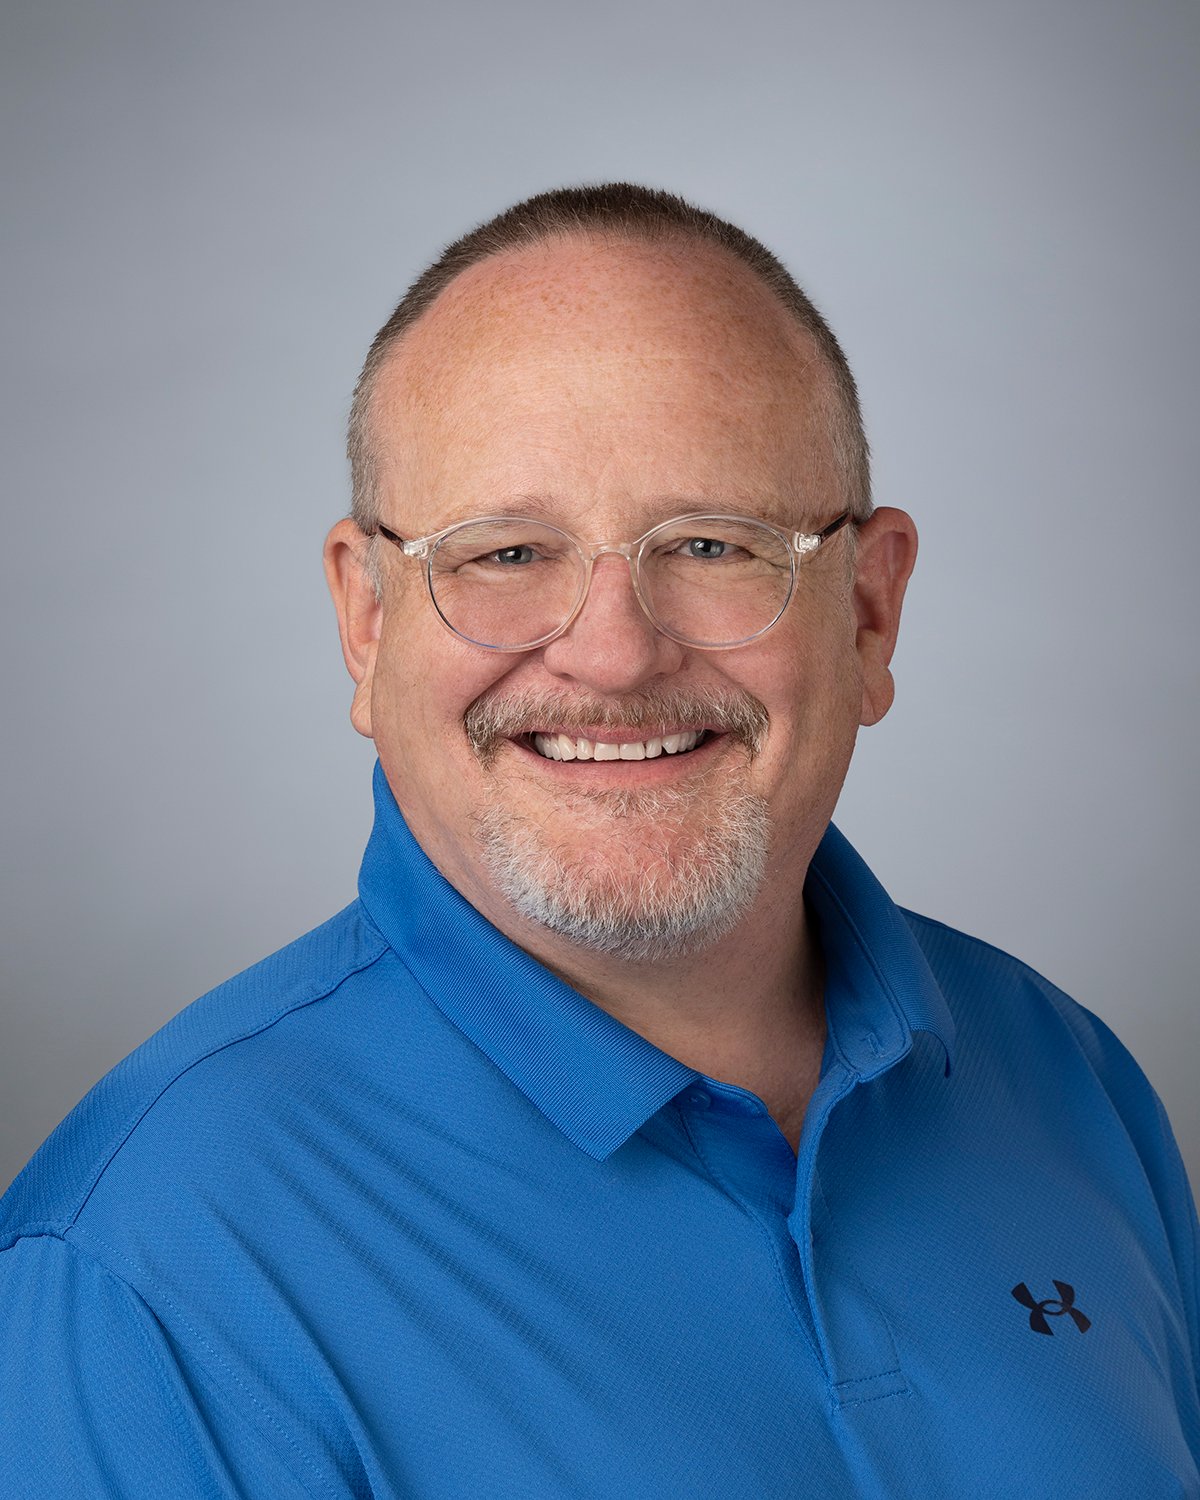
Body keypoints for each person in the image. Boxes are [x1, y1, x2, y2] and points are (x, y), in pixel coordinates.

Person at [1, 184, 1196, 1498]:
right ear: (366, 621)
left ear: (868, 612)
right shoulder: (141, 1277)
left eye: (713, 544)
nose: (616, 653)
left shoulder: (1070, 1081)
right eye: (507, 553)